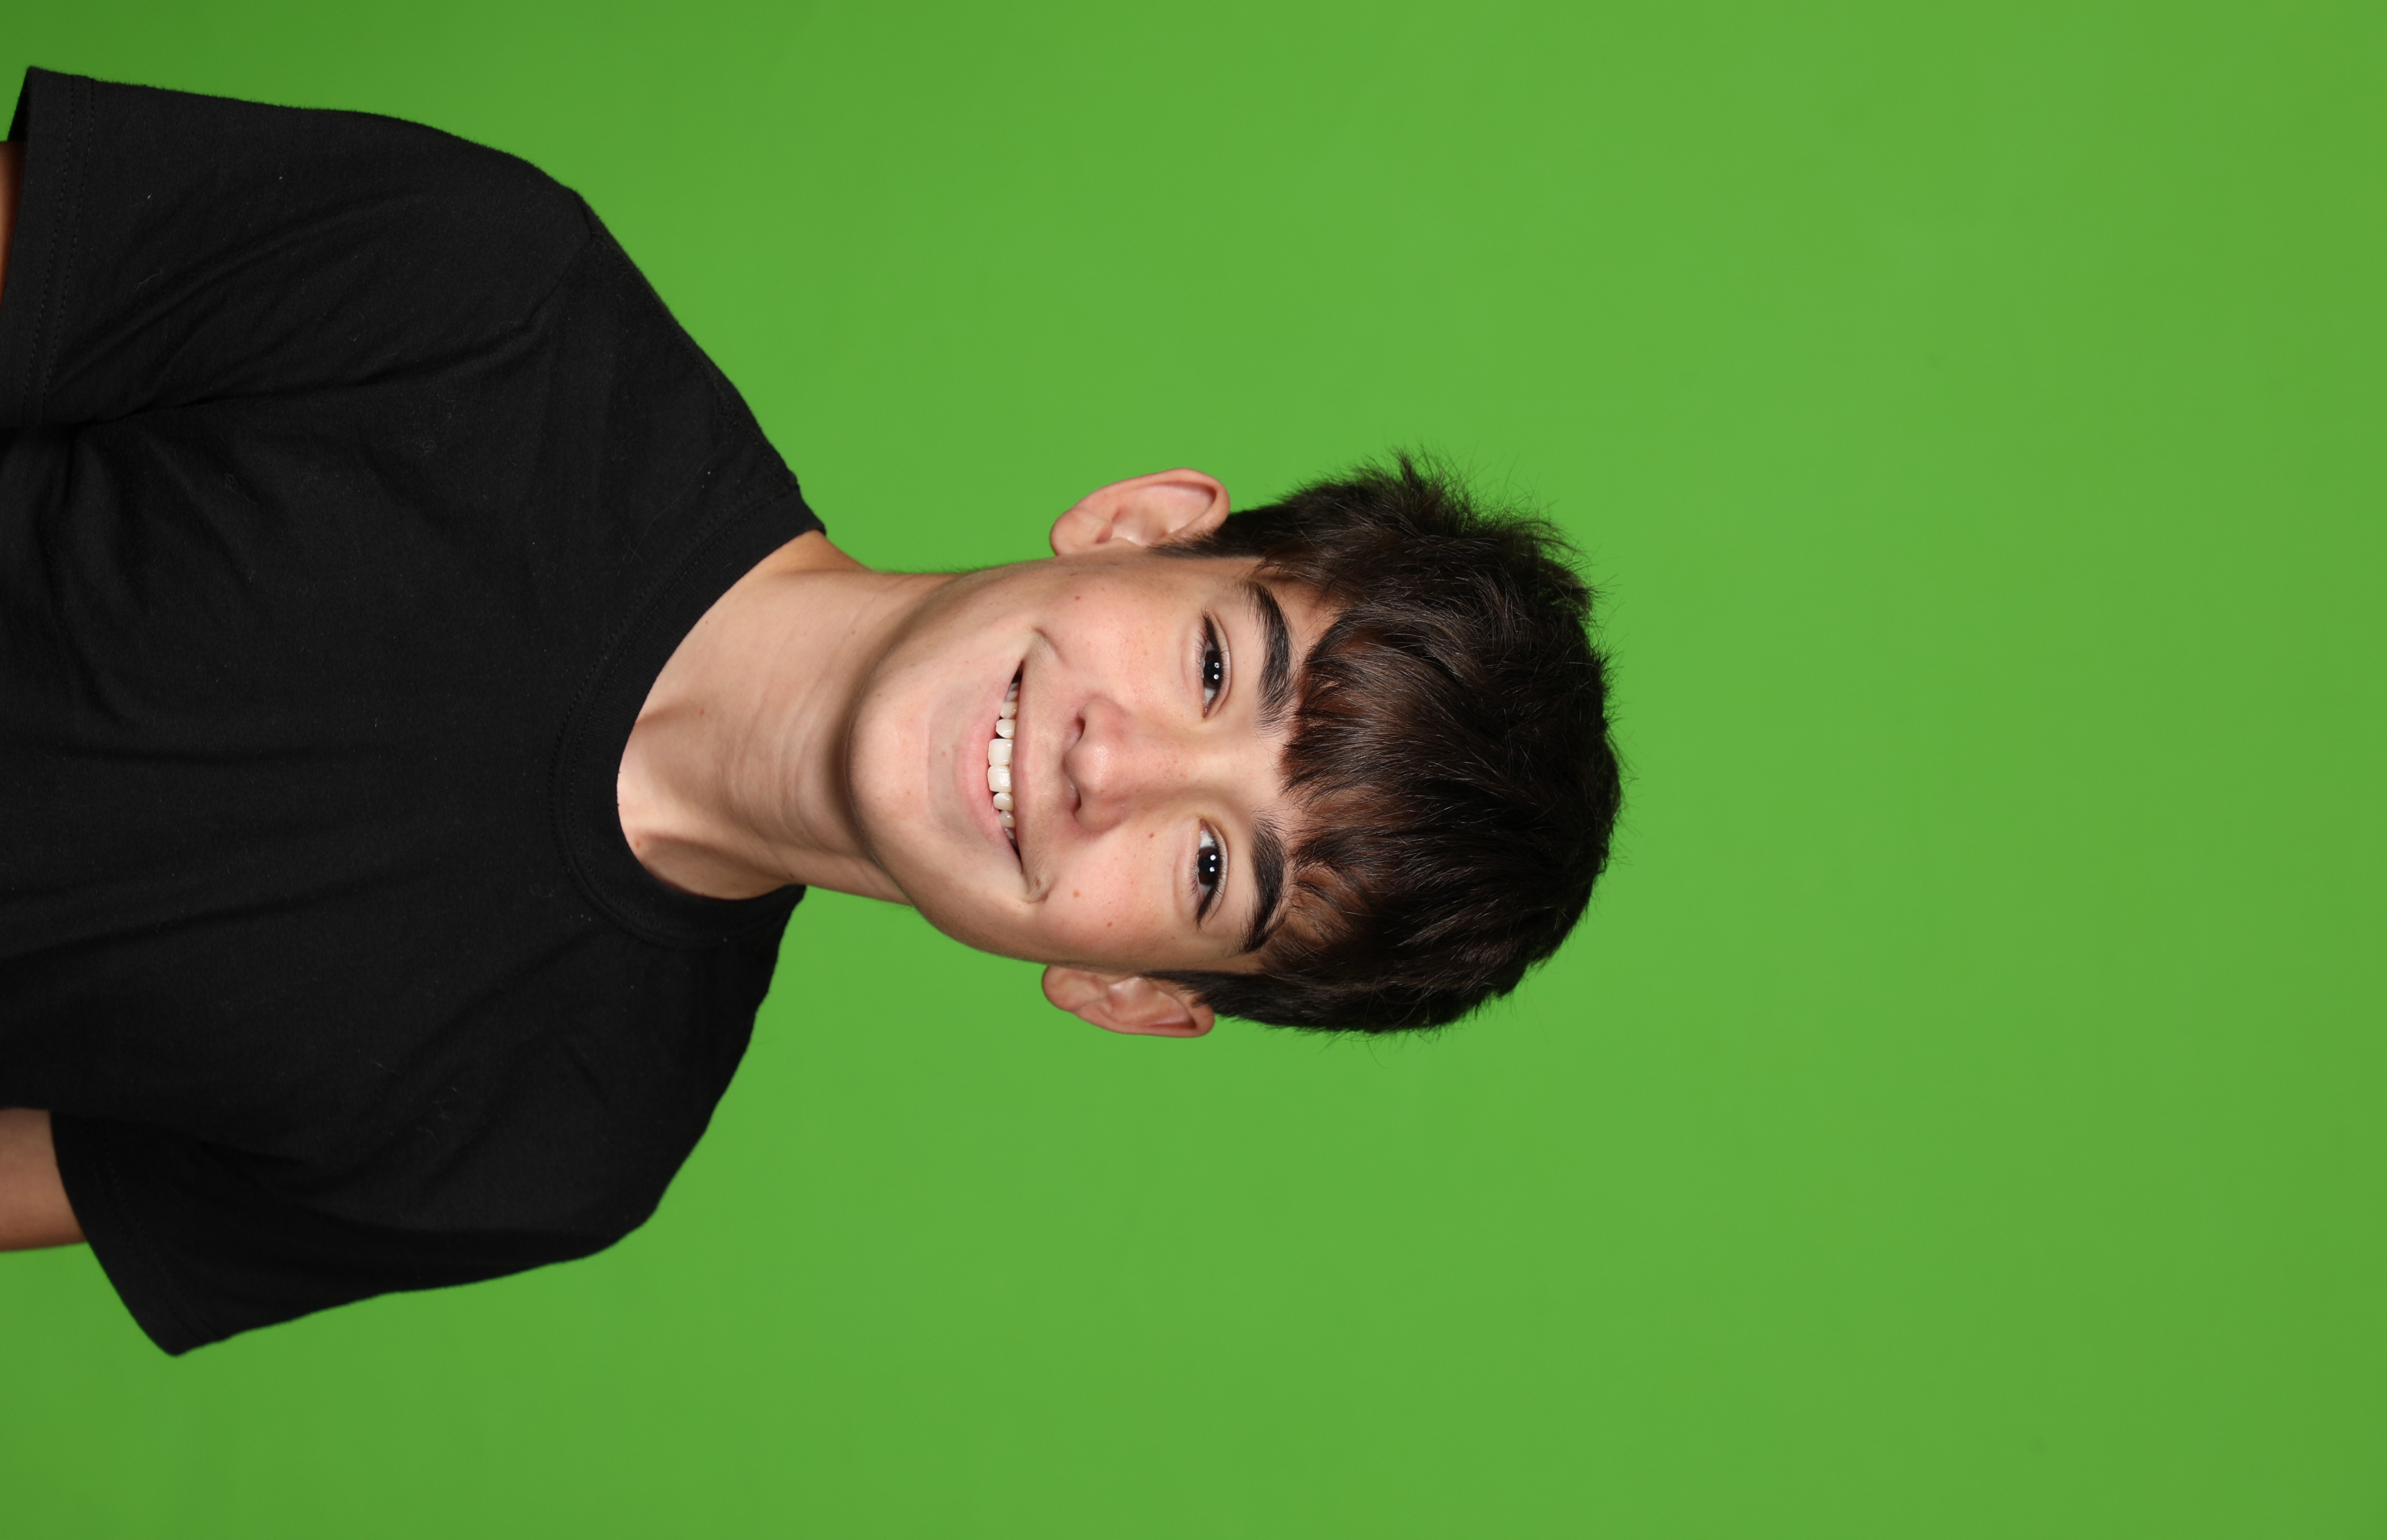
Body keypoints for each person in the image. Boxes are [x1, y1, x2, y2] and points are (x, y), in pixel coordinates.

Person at [0, 70, 1622, 1352]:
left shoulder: (563, 1151)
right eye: (1214, 667)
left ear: (1131, 992)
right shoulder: (489, 299)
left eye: (1213, 869)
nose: (1114, 764)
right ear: (1140, 525)